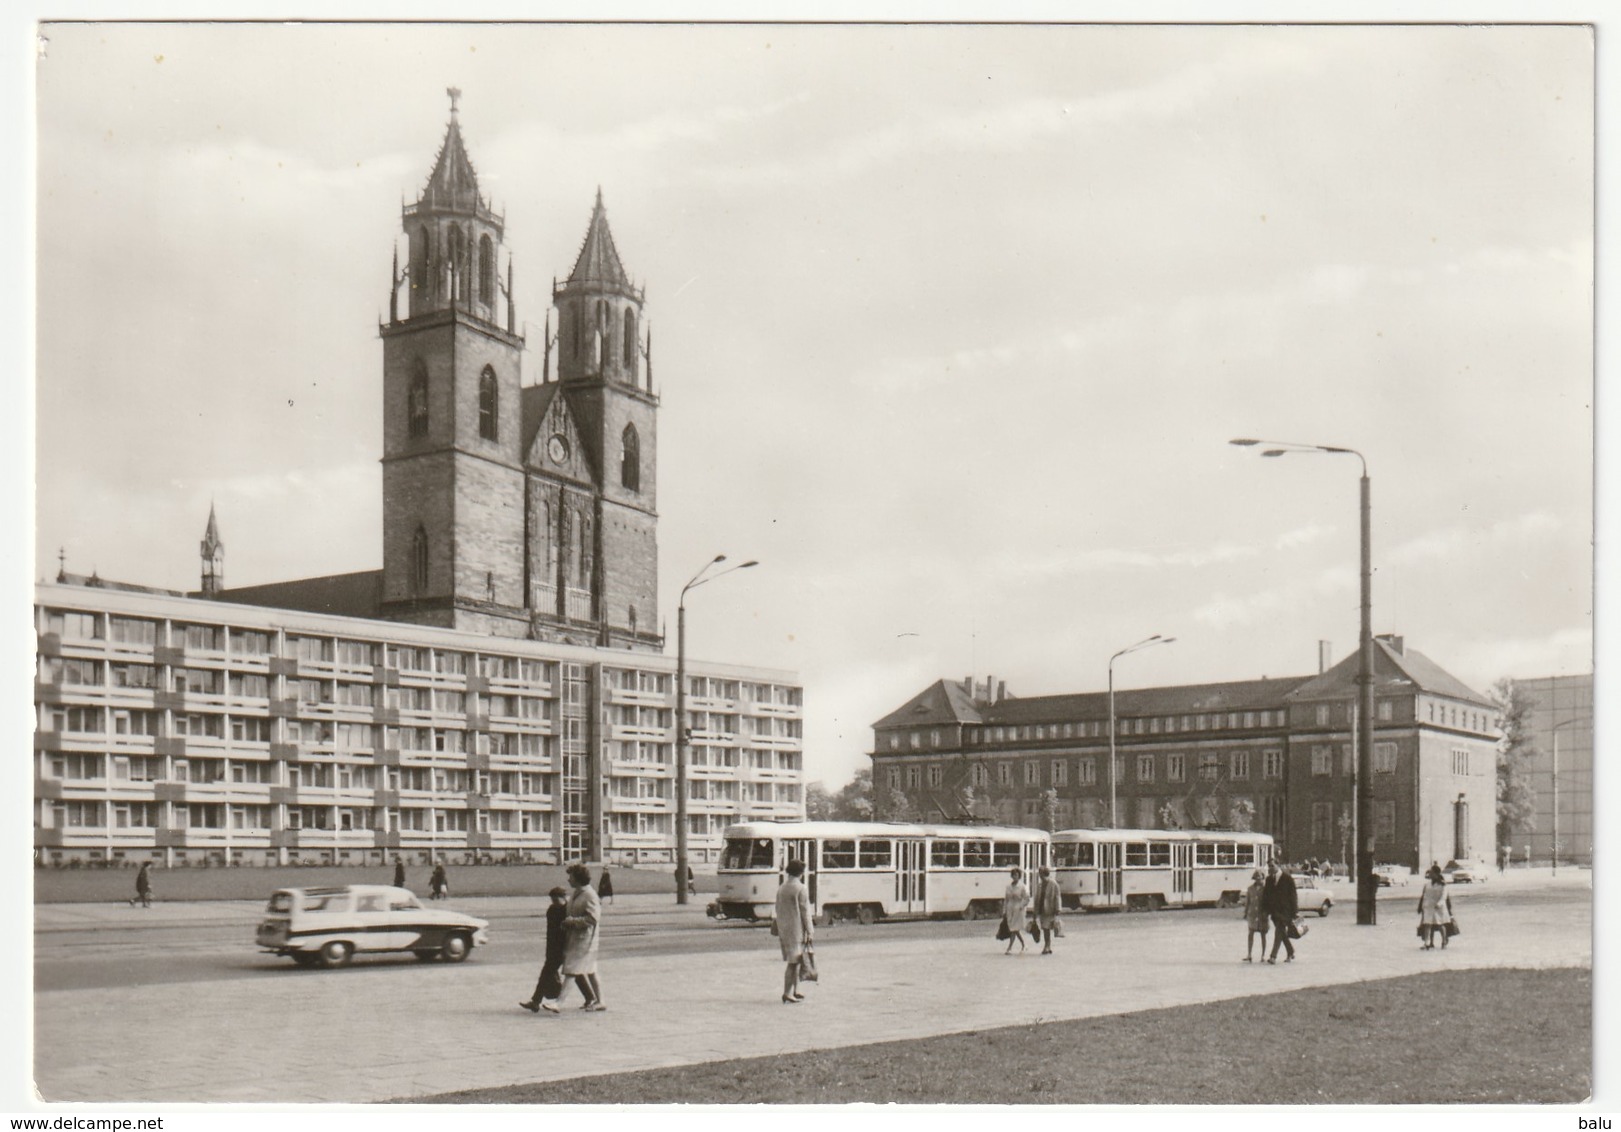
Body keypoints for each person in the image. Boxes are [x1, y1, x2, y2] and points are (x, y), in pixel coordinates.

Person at [544, 863, 604, 1012]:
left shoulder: (589, 895)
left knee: (571, 969)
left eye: (570, 876)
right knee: (590, 970)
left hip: (585, 940)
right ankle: (600, 1001)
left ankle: (559, 1003)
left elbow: (593, 918)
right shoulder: (578, 893)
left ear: (578, 878)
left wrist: (572, 922)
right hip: (577, 938)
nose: (568, 879)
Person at [519, 887, 570, 1013]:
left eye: (556, 899)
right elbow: (551, 932)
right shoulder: (553, 910)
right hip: (554, 949)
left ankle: (536, 1001)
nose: (554, 902)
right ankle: (590, 997)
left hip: (563, 948)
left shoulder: (567, 911)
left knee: (569, 974)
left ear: (563, 898)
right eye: (552, 899)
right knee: (574, 974)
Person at [775, 859, 813, 1004]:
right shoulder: (800, 888)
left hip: (784, 929)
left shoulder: (782, 887)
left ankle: (796, 990)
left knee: (796, 960)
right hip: (797, 930)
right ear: (801, 873)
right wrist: (810, 930)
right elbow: (805, 911)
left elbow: (778, 908)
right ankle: (787, 993)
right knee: (793, 963)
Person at [1264, 861, 1298, 964]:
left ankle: (1273, 956)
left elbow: (1293, 896)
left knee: (1278, 931)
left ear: (1278, 865)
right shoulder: (1269, 879)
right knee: (1282, 933)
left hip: (1285, 911)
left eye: (1272, 866)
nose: (1271, 868)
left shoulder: (1287, 878)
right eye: (1269, 866)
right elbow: (1266, 895)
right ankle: (1290, 951)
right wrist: (1265, 910)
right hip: (1274, 912)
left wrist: (1294, 912)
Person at [1417, 865, 1453, 950]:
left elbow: (1444, 896)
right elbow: (1424, 896)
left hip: (1438, 908)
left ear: (1436, 874)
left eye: (1432, 872)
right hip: (1428, 907)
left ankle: (1444, 942)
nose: (1430, 874)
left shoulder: (1443, 885)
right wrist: (1422, 906)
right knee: (1427, 925)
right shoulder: (1427, 885)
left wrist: (1439, 904)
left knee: (1440, 925)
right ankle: (1427, 943)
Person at [1242, 868, 1269, 962]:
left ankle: (1263, 955)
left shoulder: (1266, 889)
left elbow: (1268, 902)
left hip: (1262, 914)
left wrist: (1267, 912)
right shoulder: (1250, 889)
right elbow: (1247, 902)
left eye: (1260, 878)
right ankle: (1249, 954)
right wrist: (1245, 913)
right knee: (1250, 934)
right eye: (1257, 878)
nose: (1258, 880)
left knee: (1263, 935)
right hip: (1252, 914)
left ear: (1263, 878)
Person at [1002, 866, 1030, 955]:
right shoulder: (1008, 887)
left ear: (1019, 876)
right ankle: (1024, 944)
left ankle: (1009, 947)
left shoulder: (1022, 887)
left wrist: (1022, 906)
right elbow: (1006, 899)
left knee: (1014, 929)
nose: (1015, 877)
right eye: (1013, 875)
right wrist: (1004, 910)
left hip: (1018, 909)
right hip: (1010, 908)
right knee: (1014, 929)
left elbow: (1026, 898)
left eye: (1016, 875)